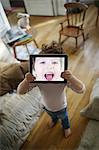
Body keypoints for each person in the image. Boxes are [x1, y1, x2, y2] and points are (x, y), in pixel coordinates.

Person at [17, 41, 85, 138]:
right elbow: (20, 91)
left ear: (61, 65)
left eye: (54, 62)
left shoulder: (63, 79)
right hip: (46, 106)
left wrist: (71, 78)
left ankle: (66, 127)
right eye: (43, 62)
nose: (49, 66)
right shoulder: (38, 79)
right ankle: (54, 120)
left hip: (61, 107)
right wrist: (26, 81)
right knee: (52, 116)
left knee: (64, 118)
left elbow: (81, 89)